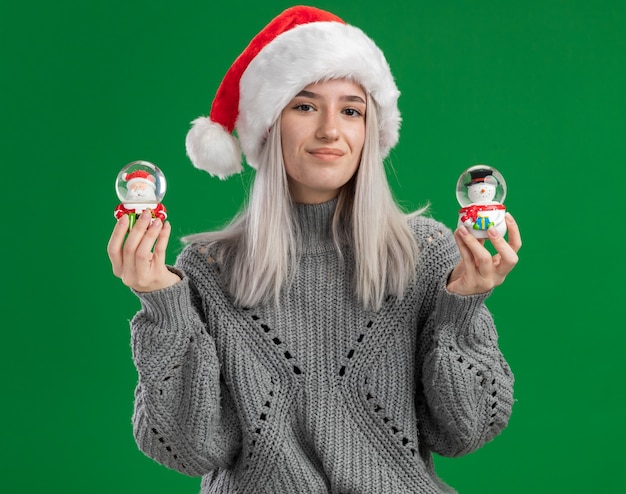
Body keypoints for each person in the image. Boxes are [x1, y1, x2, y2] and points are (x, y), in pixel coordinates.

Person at [107, 6, 521, 494]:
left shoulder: (427, 254)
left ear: (370, 132)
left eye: (351, 110)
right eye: (304, 106)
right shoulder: (209, 269)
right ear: (268, 127)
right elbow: (190, 449)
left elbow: (465, 431)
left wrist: (462, 307)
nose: (330, 130)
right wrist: (163, 304)